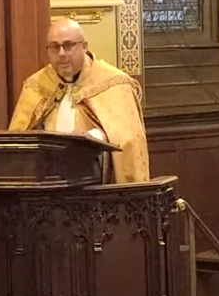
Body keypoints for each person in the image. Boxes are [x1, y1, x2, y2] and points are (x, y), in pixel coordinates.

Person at [9, 19, 150, 184]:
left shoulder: (114, 84)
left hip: (95, 188)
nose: (61, 53)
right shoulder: (36, 85)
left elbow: (128, 141)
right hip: (49, 186)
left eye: (68, 45)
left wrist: (93, 136)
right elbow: (18, 142)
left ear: (84, 46)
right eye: (55, 47)